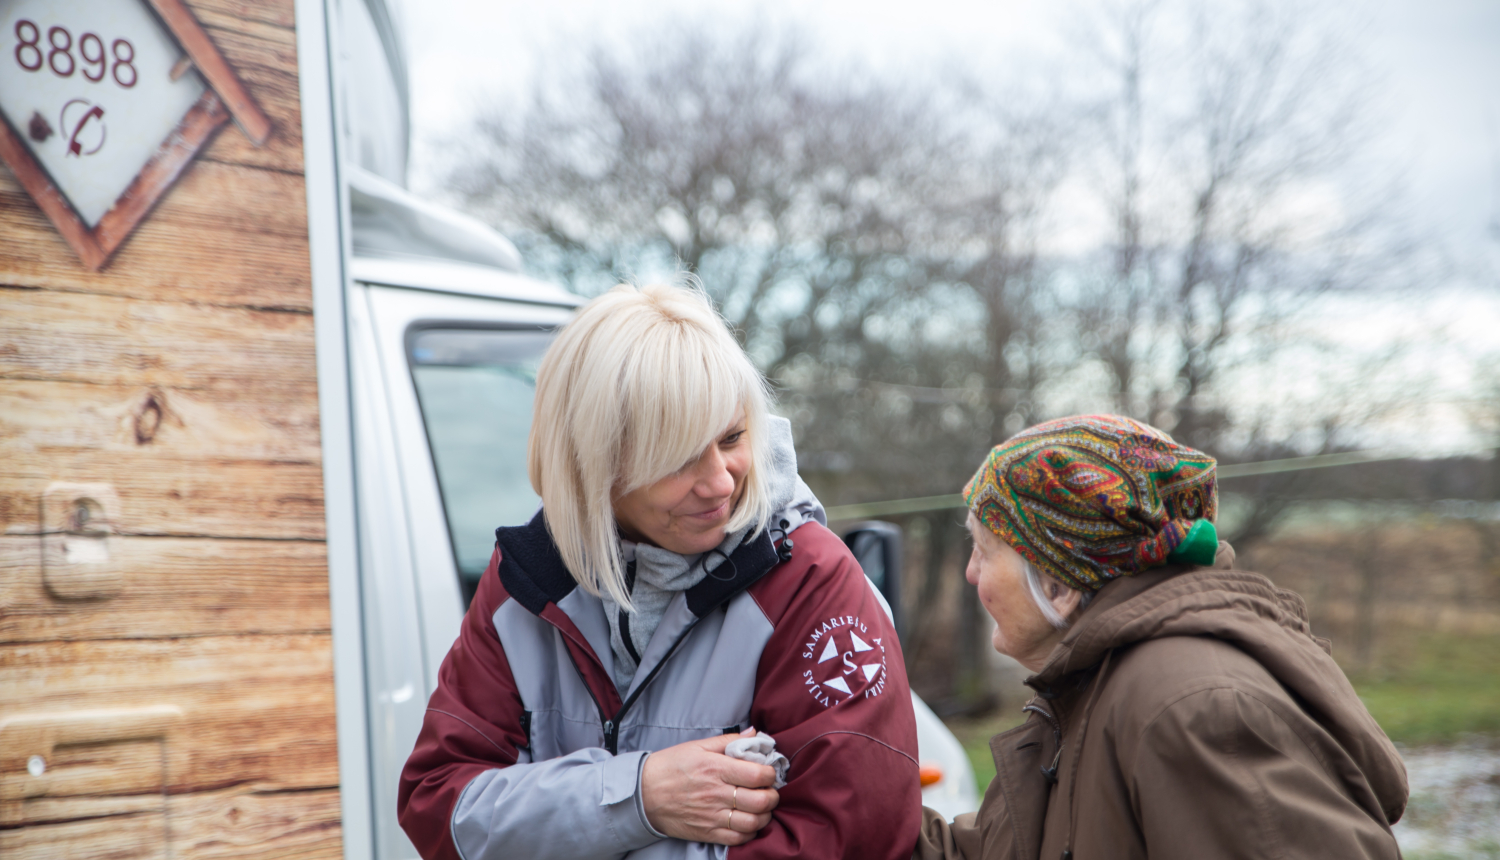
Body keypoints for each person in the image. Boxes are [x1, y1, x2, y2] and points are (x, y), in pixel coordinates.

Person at [399, 283, 921, 860]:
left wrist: (557, 820)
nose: (721, 481)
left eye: (731, 437)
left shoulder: (813, 582)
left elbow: (855, 839)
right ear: (594, 462)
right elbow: (438, 808)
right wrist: (637, 796)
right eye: (678, 456)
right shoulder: (524, 582)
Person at [915, 414, 1408, 860]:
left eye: (984, 550)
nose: (971, 573)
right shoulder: (1095, 687)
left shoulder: (1193, 709)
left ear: (1058, 582)